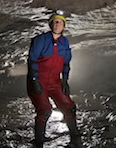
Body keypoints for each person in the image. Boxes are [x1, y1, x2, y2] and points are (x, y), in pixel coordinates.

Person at [27, 10, 81, 147]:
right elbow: (32, 59)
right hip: (39, 81)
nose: (58, 24)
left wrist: (65, 80)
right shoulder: (41, 40)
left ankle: (75, 139)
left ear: (64, 26)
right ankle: (38, 141)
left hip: (55, 82)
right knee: (45, 109)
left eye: (60, 22)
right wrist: (34, 80)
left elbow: (66, 63)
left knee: (70, 107)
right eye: (55, 22)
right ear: (51, 24)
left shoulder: (64, 42)